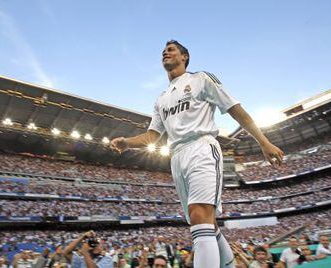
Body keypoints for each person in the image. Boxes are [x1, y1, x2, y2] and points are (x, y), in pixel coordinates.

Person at [110, 40, 284, 268]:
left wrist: (264, 142)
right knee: (205, 224)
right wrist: (127, 143)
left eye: (171, 49)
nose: (165, 52)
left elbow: (235, 110)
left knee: (200, 217)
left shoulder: (200, 79)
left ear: (185, 57)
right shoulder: (161, 99)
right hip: (177, 156)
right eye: (163, 51)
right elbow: (152, 136)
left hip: (202, 147)